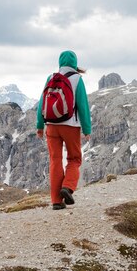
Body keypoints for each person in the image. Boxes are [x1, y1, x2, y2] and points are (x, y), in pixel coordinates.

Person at [36, 50, 91, 210]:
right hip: (70, 126)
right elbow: (83, 106)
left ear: (60, 62)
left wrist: (40, 126)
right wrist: (87, 129)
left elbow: (42, 103)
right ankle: (67, 187)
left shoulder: (51, 78)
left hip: (51, 126)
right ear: (74, 63)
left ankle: (56, 201)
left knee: (55, 161)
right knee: (74, 159)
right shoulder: (77, 79)